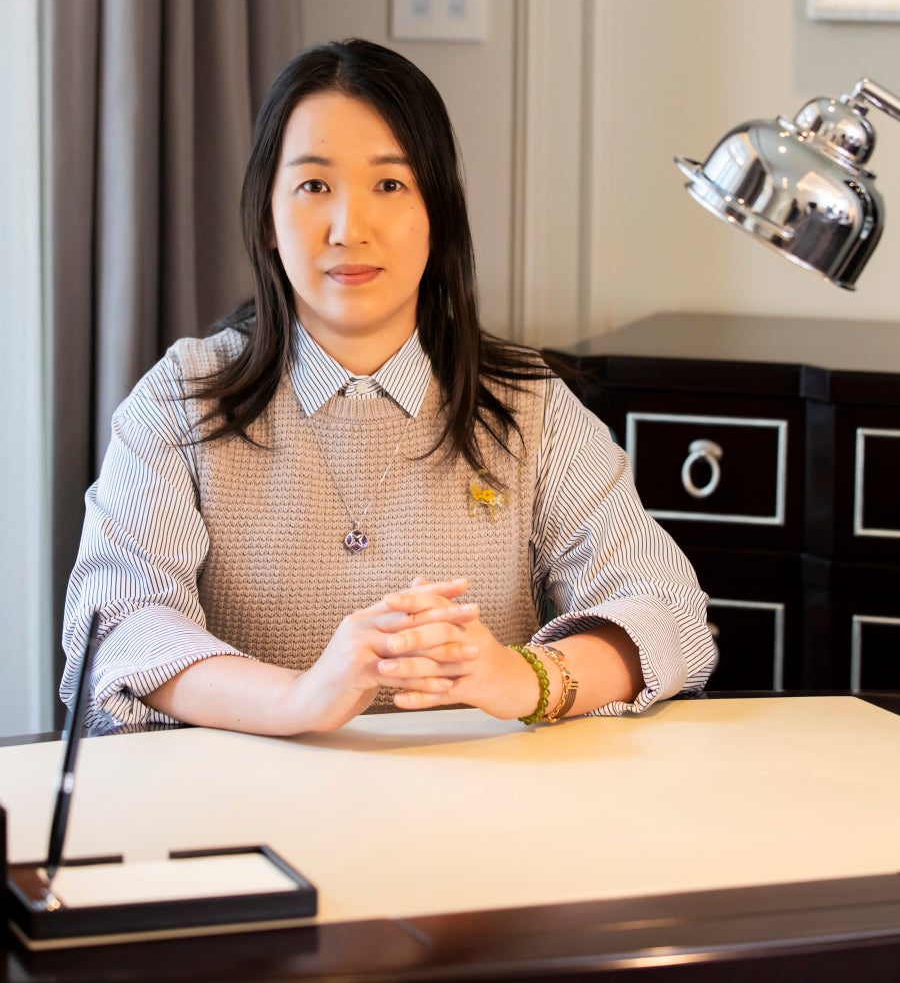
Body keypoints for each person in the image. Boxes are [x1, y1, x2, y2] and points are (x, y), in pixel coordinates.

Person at [62, 39, 717, 735]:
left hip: (479, 794)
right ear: (266, 217)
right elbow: (118, 624)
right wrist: (300, 698)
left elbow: (667, 609)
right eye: (314, 186)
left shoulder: (529, 405)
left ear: (438, 215)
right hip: (253, 794)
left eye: (390, 185)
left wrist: (521, 676)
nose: (350, 229)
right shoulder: (183, 398)